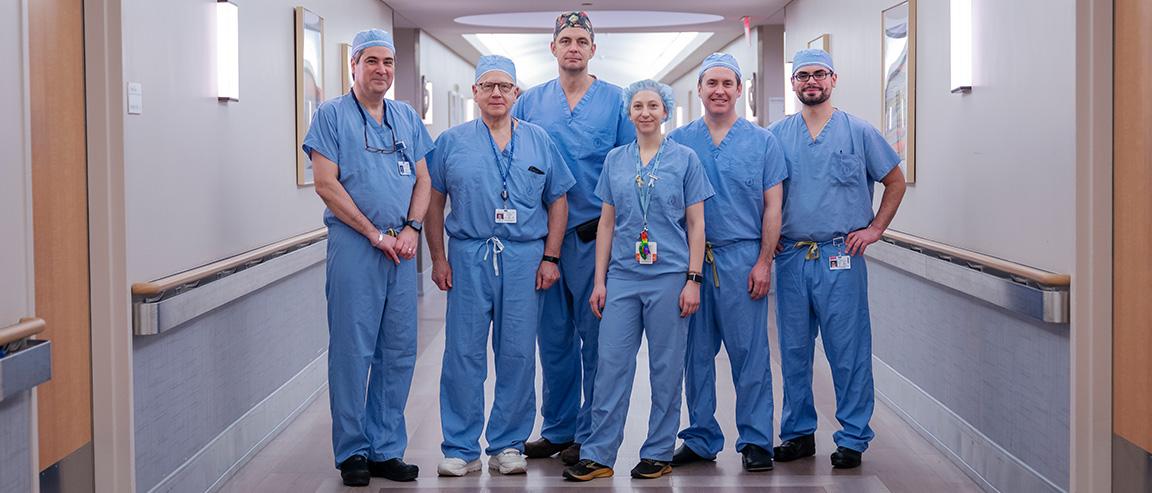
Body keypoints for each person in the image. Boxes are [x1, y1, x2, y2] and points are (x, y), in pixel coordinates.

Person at [425, 55, 575, 477]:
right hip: (470, 254)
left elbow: (558, 200)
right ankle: (460, 447)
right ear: (474, 92)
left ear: (516, 94)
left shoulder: (539, 141)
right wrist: (438, 257)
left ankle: (508, 444)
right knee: (463, 353)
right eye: (487, 86)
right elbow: (434, 202)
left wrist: (550, 256)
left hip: (525, 257)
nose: (496, 93)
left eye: (504, 87)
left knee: (517, 354)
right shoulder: (451, 142)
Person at [562, 80, 714, 482]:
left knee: (666, 368)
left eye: (653, 105)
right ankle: (598, 453)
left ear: (666, 111)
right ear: (629, 114)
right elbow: (607, 224)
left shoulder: (685, 160)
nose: (645, 112)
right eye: (637, 106)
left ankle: (658, 451)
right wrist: (600, 281)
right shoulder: (615, 160)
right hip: (624, 278)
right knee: (610, 365)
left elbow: (697, 224)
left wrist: (693, 279)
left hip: (669, 276)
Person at [302, 28, 433, 487]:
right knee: (352, 352)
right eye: (372, 61)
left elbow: (423, 180)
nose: (382, 70)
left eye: (388, 63)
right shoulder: (331, 115)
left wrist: (413, 229)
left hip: (400, 248)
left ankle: (385, 449)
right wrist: (374, 233)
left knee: (397, 351)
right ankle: (353, 450)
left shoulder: (406, 117)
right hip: (356, 248)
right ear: (354, 64)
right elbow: (326, 184)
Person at [768, 48, 906, 469]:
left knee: (848, 350)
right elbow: (762, 193)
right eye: (803, 75)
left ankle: (852, 437)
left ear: (833, 79)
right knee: (792, 350)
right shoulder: (775, 135)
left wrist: (875, 229)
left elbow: (895, 181)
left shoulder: (859, 132)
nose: (811, 81)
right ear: (793, 83)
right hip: (791, 257)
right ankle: (797, 433)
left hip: (840, 255)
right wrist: (766, 238)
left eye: (819, 74)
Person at [512, 11, 636, 465]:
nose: (574, 47)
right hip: (543, 242)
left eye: (582, 40)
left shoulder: (617, 102)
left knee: (598, 340)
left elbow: (628, 171)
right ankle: (558, 428)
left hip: (592, 241)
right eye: (566, 39)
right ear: (553, 47)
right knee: (553, 340)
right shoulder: (530, 104)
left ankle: (590, 432)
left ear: (593, 49)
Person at [667, 53, 787, 472]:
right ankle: (700, 437)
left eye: (727, 83)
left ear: (740, 90)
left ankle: (755, 440)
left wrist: (764, 262)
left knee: (750, 353)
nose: (719, 90)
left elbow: (774, 208)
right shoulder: (678, 141)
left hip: (742, 258)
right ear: (698, 90)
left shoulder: (763, 142)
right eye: (711, 83)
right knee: (695, 355)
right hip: (692, 263)